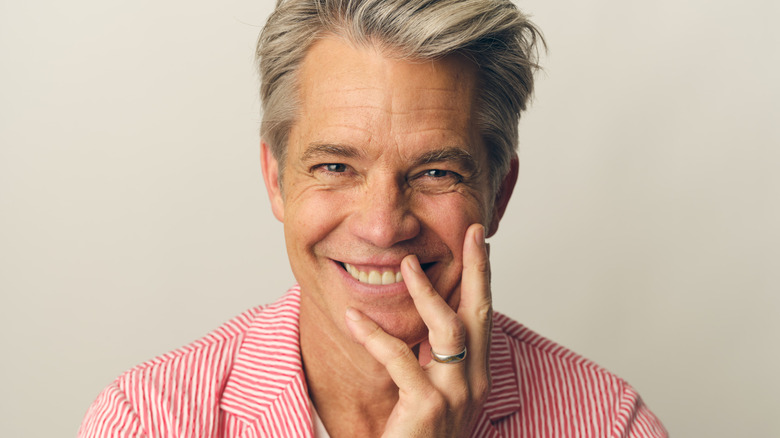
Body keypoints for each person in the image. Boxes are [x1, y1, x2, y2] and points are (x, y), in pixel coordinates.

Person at [80, 0, 667, 436]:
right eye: (336, 166)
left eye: (436, 172)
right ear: (276, 179)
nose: (383, 228)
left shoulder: (608, 423)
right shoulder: (147, 417)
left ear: (498, 194)